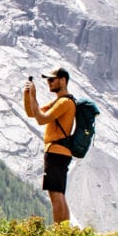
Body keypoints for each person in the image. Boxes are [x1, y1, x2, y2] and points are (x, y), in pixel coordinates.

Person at [23, 67, 77, 224]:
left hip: (56, 151)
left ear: (63, 80)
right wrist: (27, 96)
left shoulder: (64, 103)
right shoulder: (59, 102)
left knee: (55, 193)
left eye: (52, 79)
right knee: (59, 192)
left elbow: (41, 119)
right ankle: (64, 232)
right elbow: (31, 112)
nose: (49, 83)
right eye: (47, 80)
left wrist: (34, 95)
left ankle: (59, 232)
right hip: (60, 152)